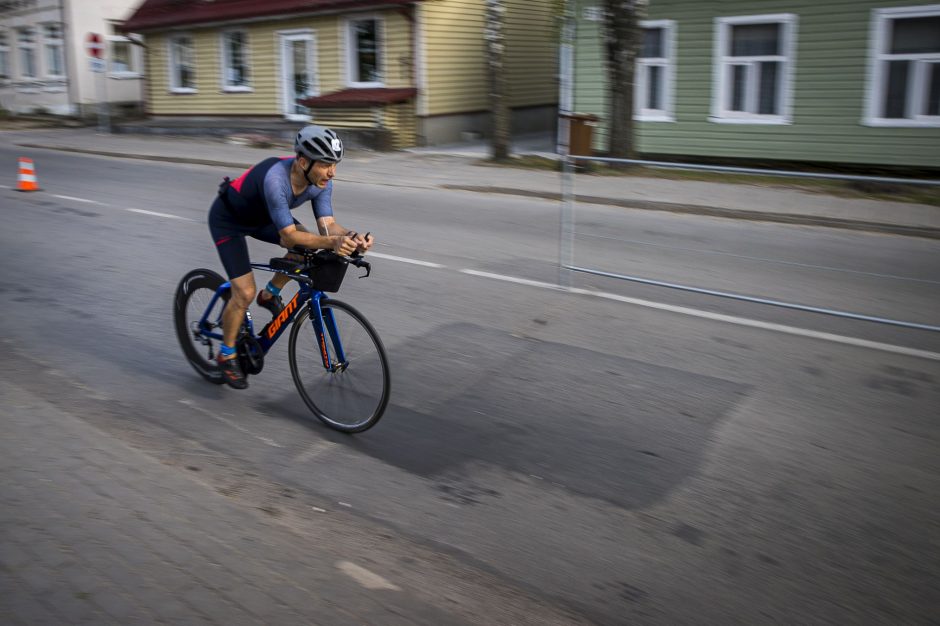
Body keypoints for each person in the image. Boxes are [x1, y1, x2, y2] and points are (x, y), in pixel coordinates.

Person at [208, 124, 373, 389]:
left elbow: (328, 226)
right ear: (303, 161)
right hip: (229, 221)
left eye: (335, 164)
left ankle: (270, 293)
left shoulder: (321, 182)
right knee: (244, 292)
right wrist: (333, 243)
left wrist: (352, 238)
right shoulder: (276, 179)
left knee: (308, 246)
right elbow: (288, 237)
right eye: (325, 164)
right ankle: (226, 355)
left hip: (264, 218)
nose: (332, 172)